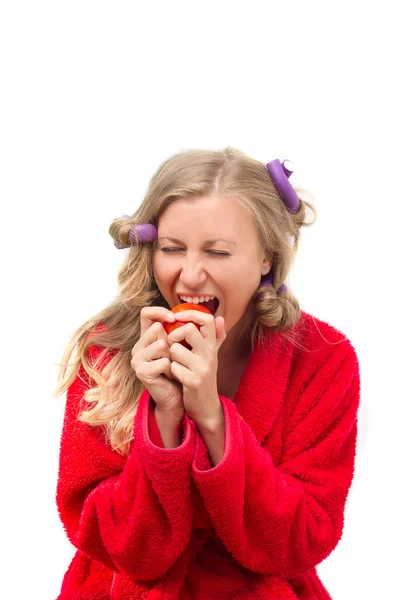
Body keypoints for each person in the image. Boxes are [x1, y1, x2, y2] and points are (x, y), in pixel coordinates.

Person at [53, 147, 361, 599]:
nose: (190, 275)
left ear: (267, 259)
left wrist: (213, 419)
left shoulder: (322, 358)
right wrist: (165, 419)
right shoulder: (107, 352)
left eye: (217, 252)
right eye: (172, 249)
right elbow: (117, 547)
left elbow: (304, 540)